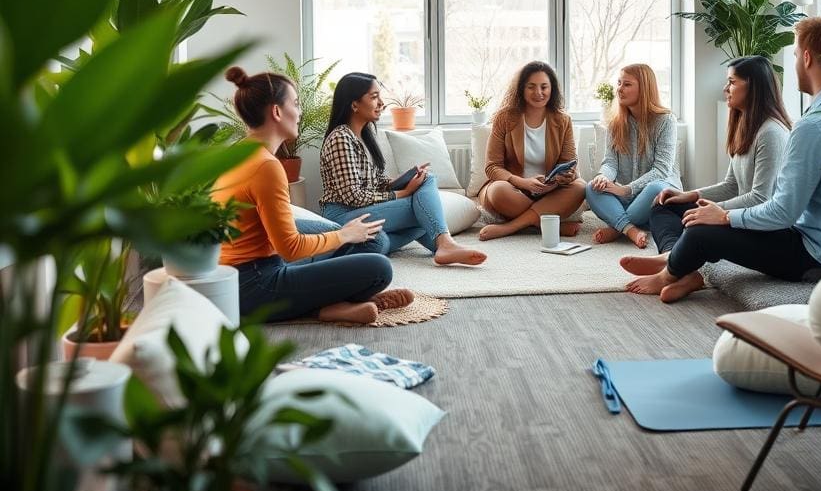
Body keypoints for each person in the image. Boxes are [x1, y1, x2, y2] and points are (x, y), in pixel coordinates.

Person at [623, 16, 821, 303]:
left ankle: (671, 271)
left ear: (808, 58)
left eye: (797, 56)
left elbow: (782, 212)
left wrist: (724, 216)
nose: (796, 63)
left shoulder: (813, 125)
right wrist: (705, 203)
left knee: (703, 230)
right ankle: (678, 260)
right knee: (680, 211)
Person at [213, 66, 413, 325]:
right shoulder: (266, 166)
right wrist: (343, 235)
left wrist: (343, 236)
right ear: (276, 111)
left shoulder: (236, 154)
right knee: (379, 268)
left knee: (367, 243)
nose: (300, 112)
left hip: (235, 280)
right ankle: (326, 306)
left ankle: (332, 307)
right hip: (255, 287)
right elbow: (291, 248)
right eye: (295, 104)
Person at [621, 56, 791, 293]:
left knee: (699, 227)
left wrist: (715, 212)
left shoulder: (771, 133)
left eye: (731, 82)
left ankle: (670, 271)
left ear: (753, 86)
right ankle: (680, 266)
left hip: (756, 222)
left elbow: (761, 198)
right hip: (734, 213)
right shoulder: (746, 126)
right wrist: (688, 195)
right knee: (663, 204)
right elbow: (732, 185)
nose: (725, 88)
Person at [320, 72, 486, 266]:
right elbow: (353, 197)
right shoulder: (341, 138)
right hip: (343, 215)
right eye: (374, 97)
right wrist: (403, 192)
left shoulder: (363, 136)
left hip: (364, 209)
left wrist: (405, 178)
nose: (382, 103)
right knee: (423, 209)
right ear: (354, 104)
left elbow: (378, 183)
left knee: (425, 183)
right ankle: (445, 244)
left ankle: (442, 245)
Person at [478, 61, 587, 241]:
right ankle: (550, 224)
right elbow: (492, 167)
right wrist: (522, 182)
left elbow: (569, 164)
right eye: (531, 87)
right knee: (497, 191)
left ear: (552, 89)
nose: (539, 93)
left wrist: (563, 177)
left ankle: (511, 227)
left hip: (550, 191)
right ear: (521, 89)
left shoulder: (563, 120)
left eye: (544, 87)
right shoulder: (505, 117)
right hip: (514, 189)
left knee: (581, 187)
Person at [585, 64, 682, 249]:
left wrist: (627, 189)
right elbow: (610, 162)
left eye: (627, 84)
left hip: (658, 195)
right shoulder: (616, 123)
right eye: (619, 83)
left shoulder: (666, 120)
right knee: (591, 188)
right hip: (630, 198)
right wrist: (603, 176)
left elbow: (661, 171)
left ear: (644, 88)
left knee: (656, 188)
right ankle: (631, 229)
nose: (619, 89)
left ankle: (617, 228)